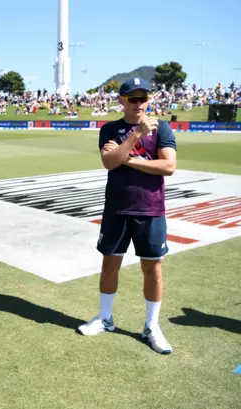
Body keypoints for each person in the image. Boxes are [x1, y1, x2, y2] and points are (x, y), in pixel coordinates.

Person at [77, 77, 177, 355]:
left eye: (143, 97)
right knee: (110, 264)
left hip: (151, 209)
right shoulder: (110, 128)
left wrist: (129, 159)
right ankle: (105, 318)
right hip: (117, 208)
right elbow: (109, 162)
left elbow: (168, 166)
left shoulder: (162, 127)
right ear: (121, 101)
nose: (139, 103)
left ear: (149, 100)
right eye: (132, 98)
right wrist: (135, 136)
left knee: (152, 268)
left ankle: (152, 326)